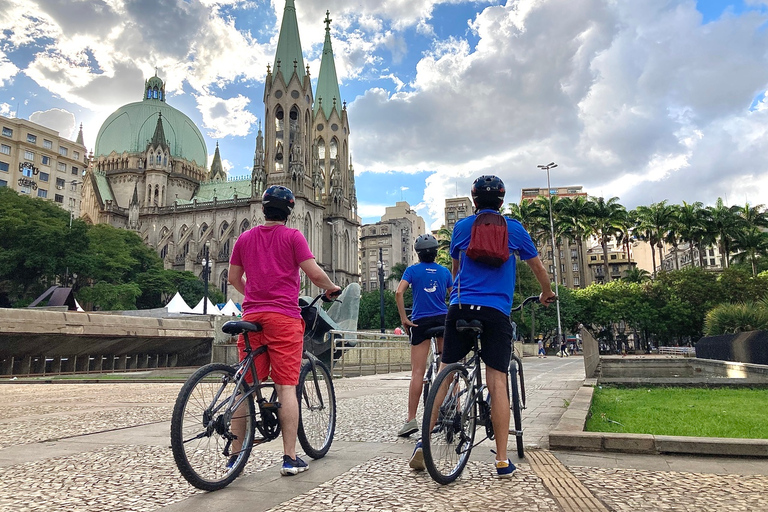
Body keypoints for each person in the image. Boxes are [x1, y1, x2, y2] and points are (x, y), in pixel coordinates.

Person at [410, 175, 555, 478]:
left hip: (460, 307)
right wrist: (546, 292)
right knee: (497, 381)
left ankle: (423, 444)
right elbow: (538, 267)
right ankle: (502, 460)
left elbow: (456, 268)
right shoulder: (514, 229)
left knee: (445, 372)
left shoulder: (462, 228)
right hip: (495, 313)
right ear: (502, 201)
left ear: (474, 201)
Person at [228, 185, 340, 476]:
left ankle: (235, 457)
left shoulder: (245, 238)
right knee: (286, 386)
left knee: (244, 386)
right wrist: (330, 288)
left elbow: (233, 278)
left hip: (252, 316)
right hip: (283, 318)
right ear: (289, 213)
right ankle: (290, 458)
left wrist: (252, 292)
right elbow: (314, 274)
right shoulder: (293, 236)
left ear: (263, 209)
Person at [395, 233, 453, 438]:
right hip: (443, 320)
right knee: (448, 366)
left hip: (419, 322)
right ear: (436, 253)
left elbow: (399, 293)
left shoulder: (412, 270)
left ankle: (411, 419)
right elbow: (453, 294)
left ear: (417, 254)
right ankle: (453, 408)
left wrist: (404, 318)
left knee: (417, 372)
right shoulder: (445, 272)